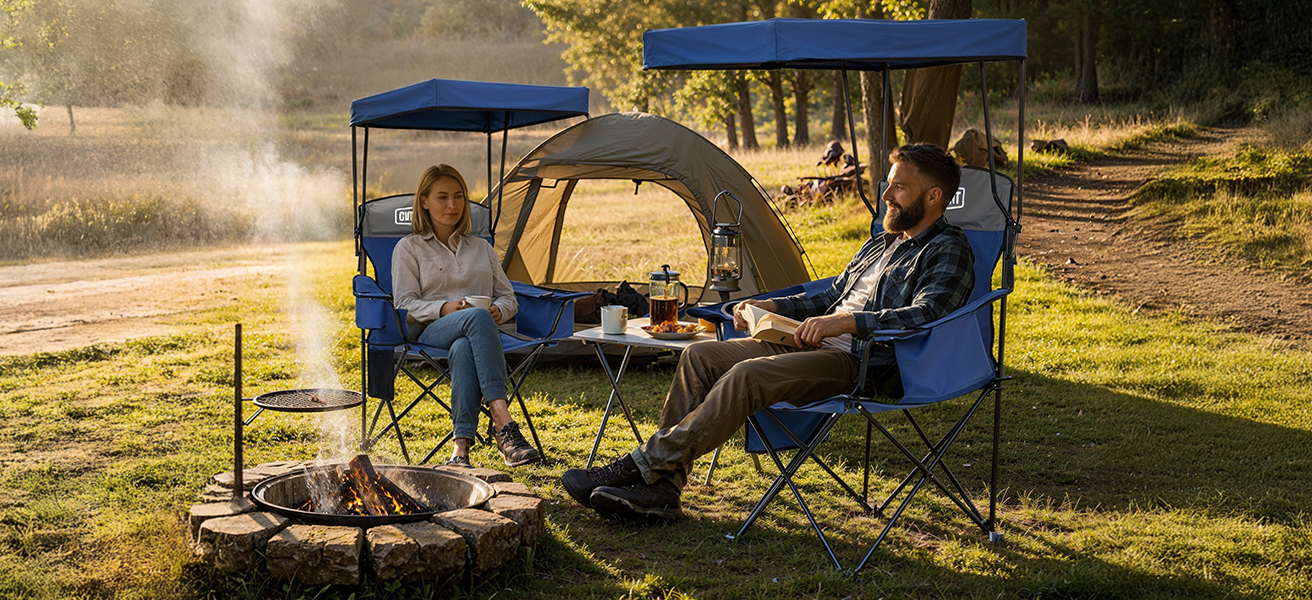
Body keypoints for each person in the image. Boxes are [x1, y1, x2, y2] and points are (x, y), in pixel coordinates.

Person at [560, 143, 975, 519]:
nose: (885, 196)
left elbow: (928, 313)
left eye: (899, 187)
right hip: (805, 340)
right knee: (699, 355)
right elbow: (832, 294)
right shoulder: (880, 242)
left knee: (747, 374)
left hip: (861, 362)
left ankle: (638, 467)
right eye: (888, 184)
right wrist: (771, 307)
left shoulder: (948, 248)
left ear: (932, 197)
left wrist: (846, 322)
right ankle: (664, 489)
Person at [390, 164, 541, 467]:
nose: (452, 205)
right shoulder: (408, 248)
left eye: (458, 196)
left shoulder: (481, 248)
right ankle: (503, 422)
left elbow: (508, 297)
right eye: (442, 197)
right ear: (424, 201)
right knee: (478, 318)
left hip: (475, 336)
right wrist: (442, 308)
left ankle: (460, 449)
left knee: (463, 347)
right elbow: (403, 303)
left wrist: (499, 310)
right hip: (430, 331)